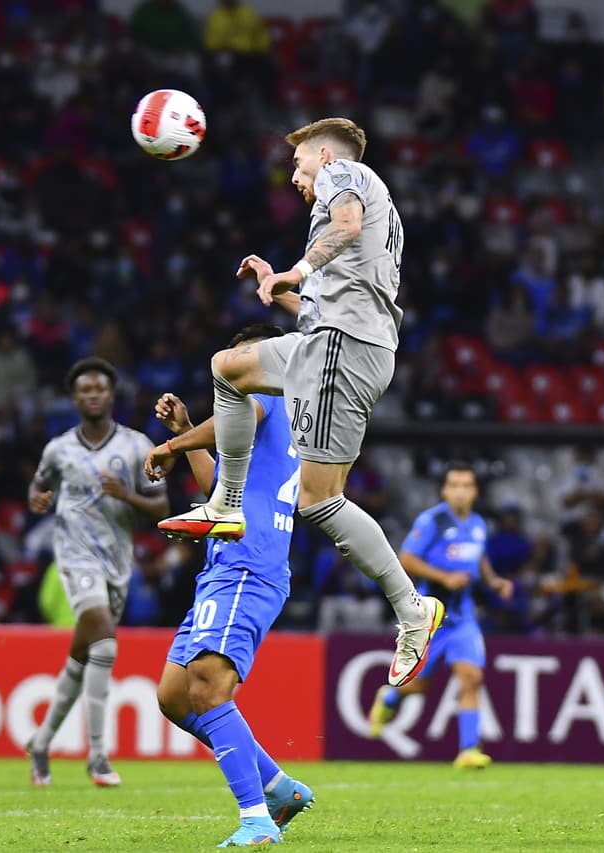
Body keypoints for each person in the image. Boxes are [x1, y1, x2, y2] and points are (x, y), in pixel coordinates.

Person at [151, 117, 443, 687]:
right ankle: (227, 504)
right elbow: (324, 306)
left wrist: (298, 268)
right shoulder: (370, 200)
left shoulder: (343, 174)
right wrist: (283, 285)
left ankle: (412, 609)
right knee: (228, 368)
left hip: (343, 349)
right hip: (334, 342)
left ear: (325, 155)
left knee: (321, 500)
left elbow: (346, 226)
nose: (294, 175)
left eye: (298, 162)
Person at [148, 323, 314, 847]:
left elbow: (229, 423)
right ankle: (278, 788)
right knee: (175, 696)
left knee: (207, 686)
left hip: (247, 564)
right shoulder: (277, 419)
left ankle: (256, 820)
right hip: (226, 566)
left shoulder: (269, 393)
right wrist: (188, 430)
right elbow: (223, 487)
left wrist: (172, 443)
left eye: (244, 356)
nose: (236, 369)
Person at [26, 357, 169, 787]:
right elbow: (39, 485)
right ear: (74, 398)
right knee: (105, 644)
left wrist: (126, 495)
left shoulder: (137, 446)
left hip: (117, 562)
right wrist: (38, 498)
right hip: (75, 556)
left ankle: (40, 742)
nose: (92, 395)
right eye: (85, 390)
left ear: (111, 395)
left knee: (84, 655)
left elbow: (161, 507)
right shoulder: (59, 449)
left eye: (99, 389)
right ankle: (98, 756)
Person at [366, 463, 514, 769]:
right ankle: (389, 698)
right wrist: (444, 577)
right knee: (420, 686)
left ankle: (468, 750)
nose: (460, 492)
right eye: (454, 485)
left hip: (464, 617)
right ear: (445, 490)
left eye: (466, 486)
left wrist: (493, 581)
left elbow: (479, 556)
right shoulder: (432, 520)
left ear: (475, 491)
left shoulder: (478, 523)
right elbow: (407, 559)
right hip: (432, 616)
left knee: (471, 677)